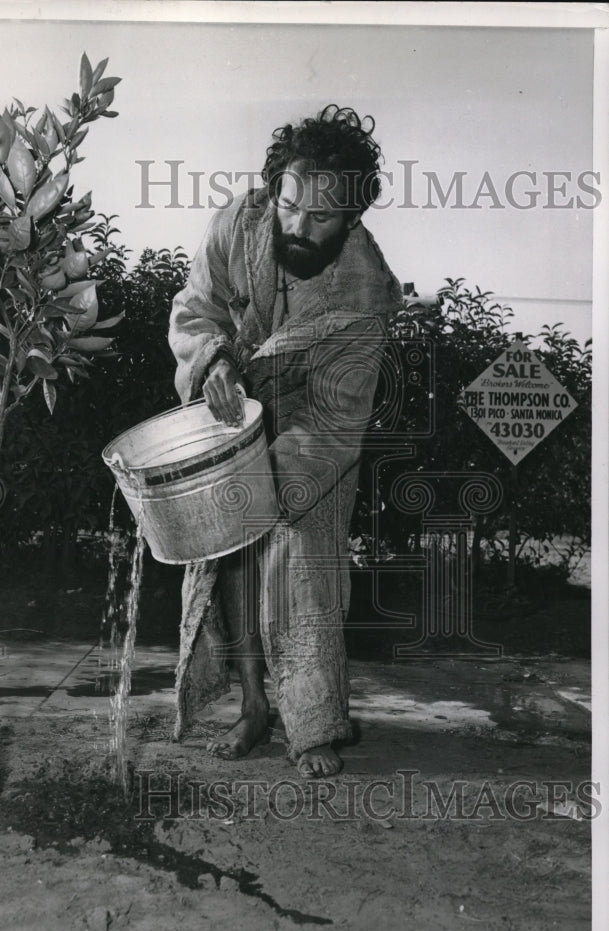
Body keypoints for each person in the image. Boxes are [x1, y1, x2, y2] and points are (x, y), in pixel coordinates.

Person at [168, 105, 402, 777]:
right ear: (274, 190)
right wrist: (212, 359)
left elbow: (336, 417)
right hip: (227, 405)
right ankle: (251, 707)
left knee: (302, 565)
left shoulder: (365, 292)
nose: (297, 227)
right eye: (289, 206)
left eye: (320, 217)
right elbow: (196, 306)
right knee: (229, 558)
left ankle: (312, 724)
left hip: (313, 435)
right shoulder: (238, 223)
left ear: (352, 216)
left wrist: (268, 488)